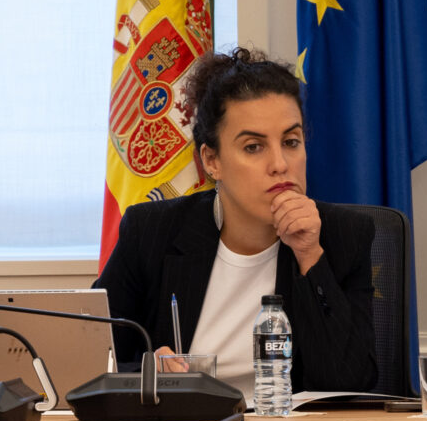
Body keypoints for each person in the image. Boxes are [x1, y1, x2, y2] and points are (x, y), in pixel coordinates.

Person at [94, 48, 375, 400]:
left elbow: (351, 383)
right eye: (254, 147)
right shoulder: (151, 232)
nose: (280, 164)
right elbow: (92, 357)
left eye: (291, 142)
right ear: (212, 160)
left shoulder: (342, 236)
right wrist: (148, 373)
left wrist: (309, 256)